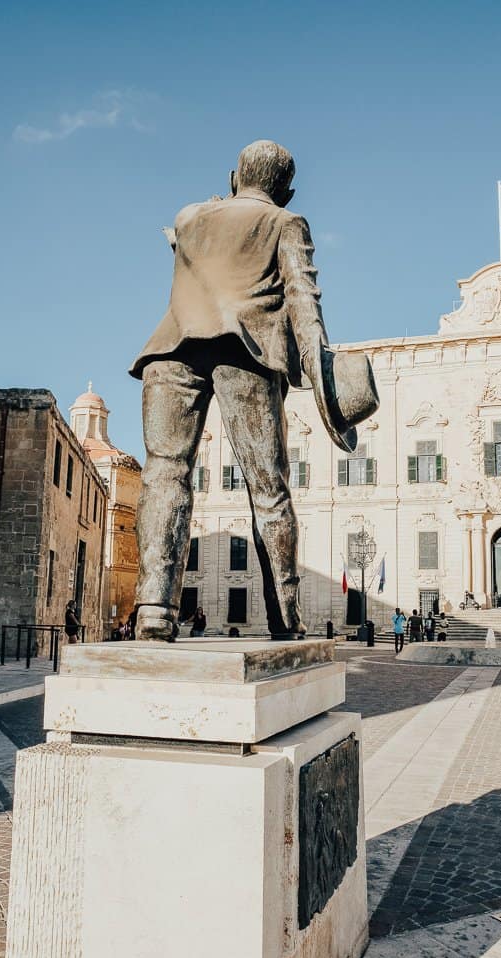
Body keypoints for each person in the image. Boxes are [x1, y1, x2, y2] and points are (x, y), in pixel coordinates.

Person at [129, 140, 378, 641]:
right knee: (268, 490)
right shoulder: (286, 224)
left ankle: (154, 608)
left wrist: (224, 197)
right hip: (244, 351)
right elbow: (305, 306)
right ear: (287, 191)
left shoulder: (188, 216)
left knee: (164, 476)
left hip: (170, 350)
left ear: (232, 176)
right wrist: (325, 383)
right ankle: (285, 615)